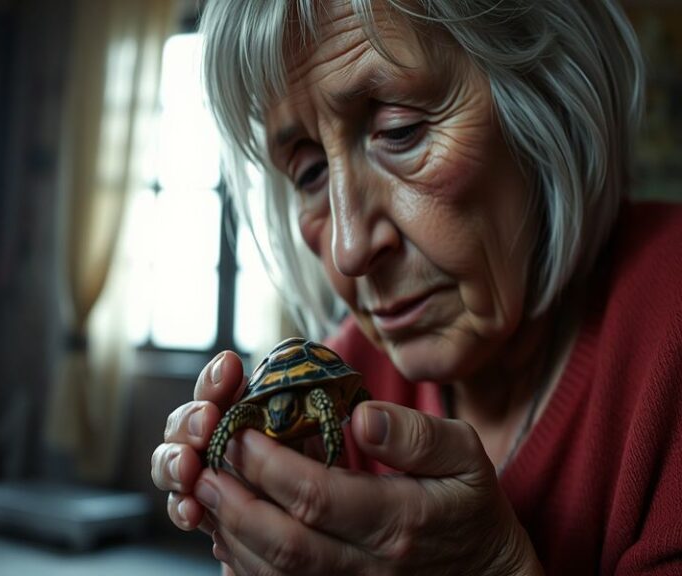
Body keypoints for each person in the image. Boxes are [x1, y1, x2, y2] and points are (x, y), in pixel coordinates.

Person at [151, 0, 682, 574]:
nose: (349, 249)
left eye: (399, 131)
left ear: (547, 99)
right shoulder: (350, 375)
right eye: (308, 173)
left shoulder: (666, 321)